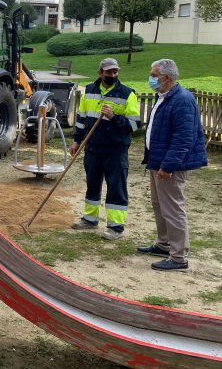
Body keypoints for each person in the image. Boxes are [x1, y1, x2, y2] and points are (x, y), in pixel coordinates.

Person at [138, 59, 207, 271]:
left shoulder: (182, 100)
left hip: (170, 167)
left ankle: (178, 257)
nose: (151, 78)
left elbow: (184, 137)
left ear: (167, 77)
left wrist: (168, 166)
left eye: (154, 74)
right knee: (159, 205)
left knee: (173, 209)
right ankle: (164, 243)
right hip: (157, 161)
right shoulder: (163, 96)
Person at [70, 58, 141, 240]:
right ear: (100, 72)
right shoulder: (89, 91)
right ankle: (90, 219)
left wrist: (114, 117)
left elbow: (134, 125)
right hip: (92, 147)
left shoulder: (127, 94)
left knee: (116, 187)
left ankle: (115, 227)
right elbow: (81, 119)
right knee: (92, 184)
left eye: (115, 72)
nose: (113, 75)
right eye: (109, 72)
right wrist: (77, 141)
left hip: (116, 149)